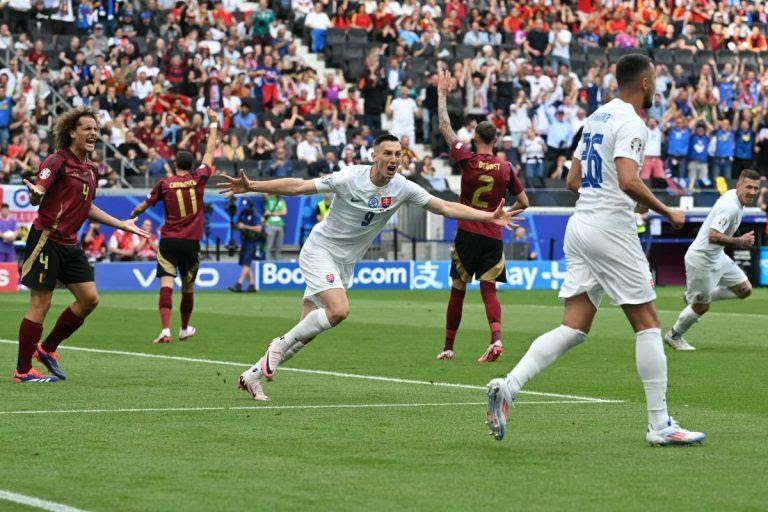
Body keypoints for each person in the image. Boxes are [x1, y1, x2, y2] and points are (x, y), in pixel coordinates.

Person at [486, 54, 706, 446]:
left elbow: (573, 180)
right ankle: (660, 425)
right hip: (609, 229)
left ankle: (509, 386)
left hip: (581, 224)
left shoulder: (597, 117)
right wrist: (664, 208)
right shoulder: (632, 122)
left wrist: (626, 194)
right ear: (643, 83)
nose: (655, 88)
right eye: (653, 81)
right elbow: (627, 178)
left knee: (573, 327)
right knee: (649, 323)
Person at [218, 133, 521, 402]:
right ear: (374, 156)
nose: (393, 159)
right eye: (387, 153)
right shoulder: (349, 177)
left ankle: (253, 375)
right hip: (319, 251)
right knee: (338, 311)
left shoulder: (402, 187)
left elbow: (444, 206)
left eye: (398, 154)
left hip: (345, 262)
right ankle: (277, 344)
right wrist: (253, 186)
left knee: (305, 333)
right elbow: (298, 186)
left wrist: (487, 217)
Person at [14, 106, 148, 383]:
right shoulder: (56, 161)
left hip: (70, 243)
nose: (93, 133)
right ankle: (23, 370)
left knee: (89, 299)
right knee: (41, 303)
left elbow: (86, 206)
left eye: (96, 130)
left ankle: (47, 349)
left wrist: (121, 224)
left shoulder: (91, 168)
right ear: (72, 132)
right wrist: (36, 195)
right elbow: (38, 193)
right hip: (47, 238)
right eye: (87, 128)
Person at [435, 67, 529, 363]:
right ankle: (496, 340)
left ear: (474, 137)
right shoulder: (505, 167)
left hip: (467, 233)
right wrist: (504, 215)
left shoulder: (468, 159)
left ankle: (449, 347)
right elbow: (525, 201)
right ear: (497, 141)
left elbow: (444, 127)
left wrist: (442, 94)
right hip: (493, 237)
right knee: (489, 292)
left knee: (458, 289)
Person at [129, 108, 220, 344]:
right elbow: (209, 151)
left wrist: (133, 214)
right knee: (188, 288)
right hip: (191, 242)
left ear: (175, 164)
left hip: (169, 240)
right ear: (191, 165)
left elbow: (144, 205)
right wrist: (213, 124)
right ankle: (184, 328)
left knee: (166, 284)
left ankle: (165, 330)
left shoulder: (164, 183)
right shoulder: (198, 178)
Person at [665, 170, 760, 351]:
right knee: (702, 307)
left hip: (717, 256)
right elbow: (713, 236)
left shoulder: (734, 197)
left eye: (756, 188)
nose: (753, 192)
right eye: (749, 187)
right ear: (738, 186)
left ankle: (691, 297)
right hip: (701, 259)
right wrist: (739, 241)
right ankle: (674, 335)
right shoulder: (730, 207)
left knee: (745, 290)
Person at [229, 197, 261, 293]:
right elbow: (239, 225)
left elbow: (259, 229)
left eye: (246, 206)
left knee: (246, 262)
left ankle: (239, 284)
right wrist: (235, 226)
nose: (245, 208)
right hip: (244, 240)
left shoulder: (255, 214)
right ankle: (252, 285)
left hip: (252, 241)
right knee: (243, 263)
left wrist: (245, 226)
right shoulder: (242, 214)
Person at [263, 193, 286, 260]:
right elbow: (264, 193)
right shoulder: (268, 199)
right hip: (270, 225)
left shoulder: (281, 201)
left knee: (278, 246)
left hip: (280, 225)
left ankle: (277, 260)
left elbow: (284, 212)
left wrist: (271, 213)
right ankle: (267, 260)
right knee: (268, 245)